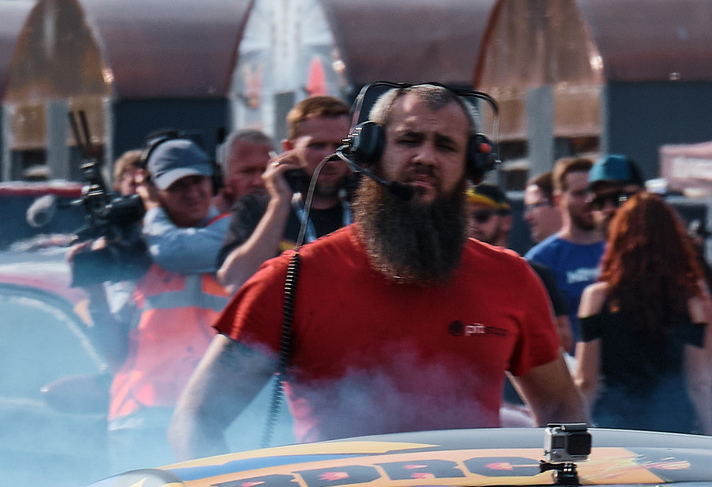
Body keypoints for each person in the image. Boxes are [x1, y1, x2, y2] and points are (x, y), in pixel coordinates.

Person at [170, 85, 585, 456]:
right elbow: (195, 421)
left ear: (471, 166)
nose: (425, 157)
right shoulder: (291, 280)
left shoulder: (511, 278)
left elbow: (562, 409)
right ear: (369, 153)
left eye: (445, 145)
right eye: (408, 140)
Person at [106, 137, 229, 453]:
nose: (192, 193)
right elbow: (113, 351)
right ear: (157, 190)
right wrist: (94, 297)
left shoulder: (232, 229)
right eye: (177, 186)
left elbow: (176, 252)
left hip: (207, 416)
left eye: (197, 180)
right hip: (139, 420)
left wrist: (151, 209)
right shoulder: (132, 247)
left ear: (212, 179)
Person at [575, 193, 712, 434]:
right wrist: (710, 430)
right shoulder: (690, 301)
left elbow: (586, 380)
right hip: (673, 424)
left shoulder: (598, 298)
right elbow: (699, 383)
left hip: (617, 421)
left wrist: (577, 427)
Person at [216, 95, 355, 294]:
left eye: (340, 146)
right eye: (316, 146)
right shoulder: (257, 207)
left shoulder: (367, 209)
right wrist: (279, 202)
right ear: (289, 149)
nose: (329, 156)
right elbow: (236, 280)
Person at [523, 155, 606, 337]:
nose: (589, 200)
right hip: (568, 362)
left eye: (593, 191)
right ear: (559, 200)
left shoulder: (618, 249)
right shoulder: (540, 260)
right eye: (579, 193)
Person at [217, 129, 274, 206]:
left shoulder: (292, 212)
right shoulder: (206, 216)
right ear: (224, 177)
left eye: (266, 171)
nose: (258, 182)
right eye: (248, 172)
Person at [522, 178, 562, 247]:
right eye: (527, 208)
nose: (527, 217)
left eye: (533, 206)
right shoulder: (536, 256)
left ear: (558, 203)